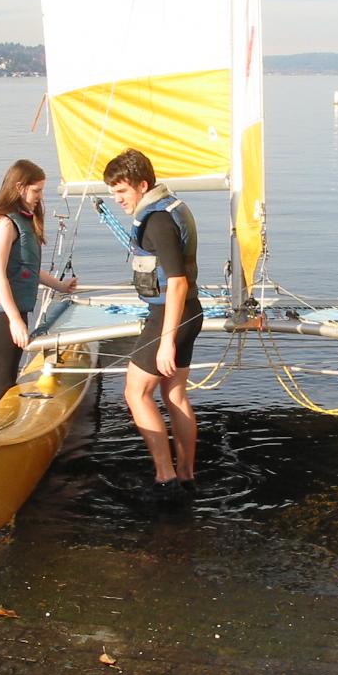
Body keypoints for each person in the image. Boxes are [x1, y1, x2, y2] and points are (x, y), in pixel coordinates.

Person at [103, 148, 204, 500]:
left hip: (171, 317)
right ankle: (187, 474)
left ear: (142, 185)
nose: (117, 200)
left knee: (135, 392)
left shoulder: (158, 220)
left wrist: (165, 340)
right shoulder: (173, 207)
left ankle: (165, 476)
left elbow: (176, 281)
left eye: (122, 193)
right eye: (113, 193)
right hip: (190, 313)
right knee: (173, 391)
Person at [0, 160, 77, 426]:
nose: (40, 197)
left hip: (11, 309)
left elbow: (28, 269)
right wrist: (15, 320)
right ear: (19, 188)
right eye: (37, 190)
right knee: (1, 381)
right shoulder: (4, 223)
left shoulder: (24, 221)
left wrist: (61, 287)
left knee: (7, 379)